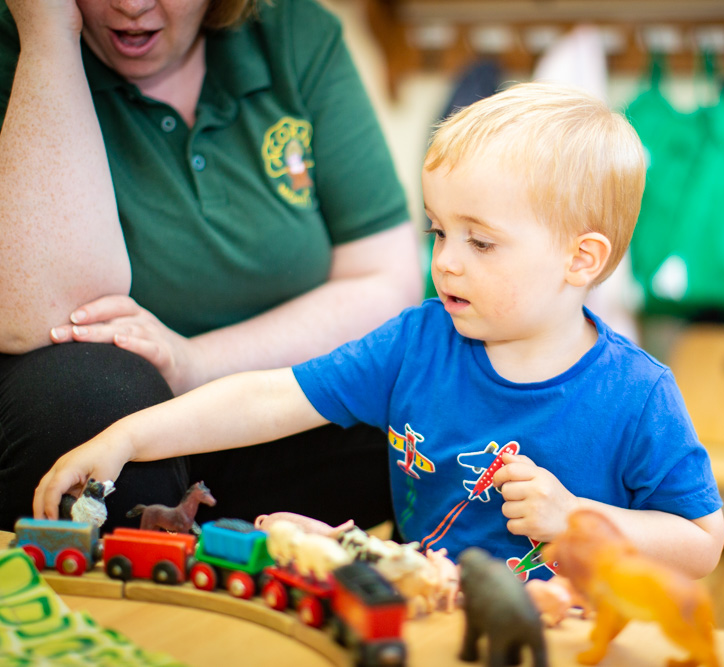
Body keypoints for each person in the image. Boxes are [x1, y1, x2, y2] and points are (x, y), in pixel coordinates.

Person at [35, 83, 724, 578]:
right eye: (439, 231)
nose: (445, 260)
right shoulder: (418, 342)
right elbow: (271, 398)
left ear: (582, 259)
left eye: (480, 242)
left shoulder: (639, 394)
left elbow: (701, 541)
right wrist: (126, 434)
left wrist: (576, 518)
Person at [0, 0, 423, 531]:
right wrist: (48, 39)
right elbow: (40, 320)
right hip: (108, 415)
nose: (132, 5)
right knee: (95, 403)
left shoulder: (294, 32)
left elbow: (387, 282)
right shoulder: (19, 41)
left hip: (266, 410)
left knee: (428, 409)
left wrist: (194, 362)